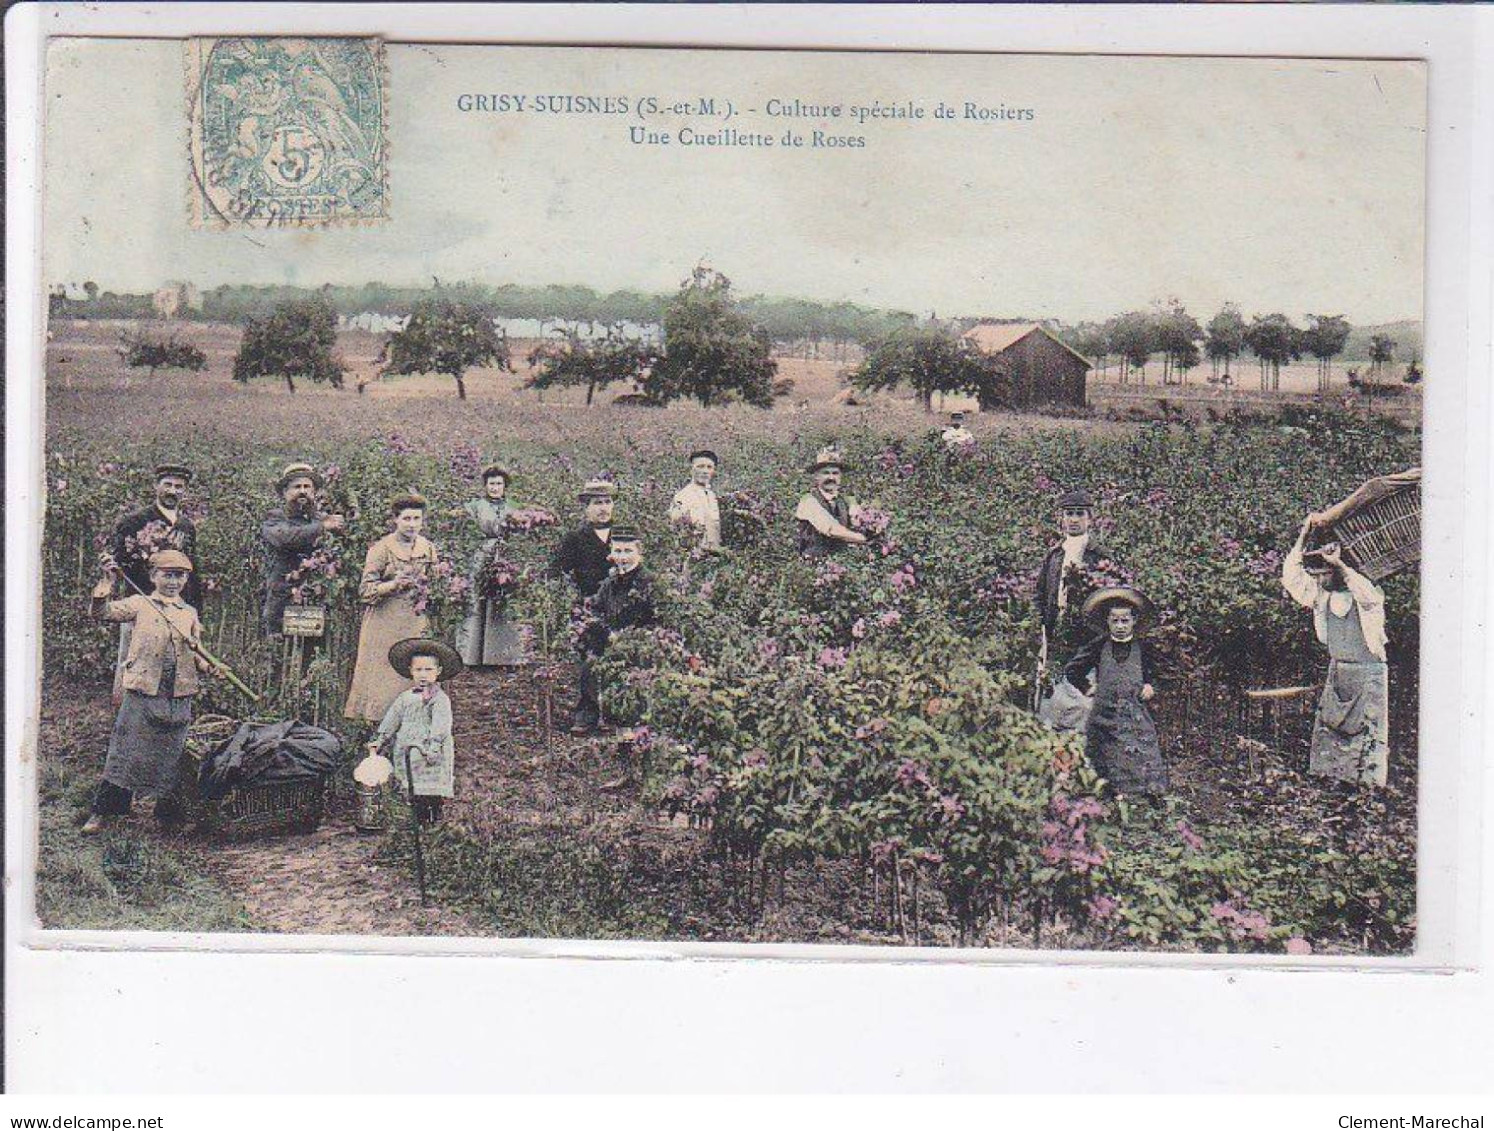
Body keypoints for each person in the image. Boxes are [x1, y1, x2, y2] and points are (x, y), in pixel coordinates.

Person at [81, 550, 224, 834]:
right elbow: (101, 613)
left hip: (178, 694)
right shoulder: (140, 604)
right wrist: (105, 585)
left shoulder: (188, 613)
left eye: (179, 575)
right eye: (167, 575)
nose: (173, 581)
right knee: (126, 752)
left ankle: (167, 817)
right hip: (144, 690)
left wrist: (211, 667)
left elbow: (194, 652)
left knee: (173, 756)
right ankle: (105, 812)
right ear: (153, 576)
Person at [1281, 515, 1390, 787]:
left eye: (1324, 573)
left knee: (1367, 738)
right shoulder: (1322, 597)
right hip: (1339, 673)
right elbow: (1291, 577)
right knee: (1331, 733)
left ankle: (1366, 793)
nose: (1318, 578)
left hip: (1368, 676)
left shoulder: (1368, 597)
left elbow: (1366, 593)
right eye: (1317, 574)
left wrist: (1339, 563)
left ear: (1339, 572)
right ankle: (1331, 786)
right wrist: (1304, 535)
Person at [1064, 586, 1168, 798]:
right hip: (1104, 714)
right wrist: (1088, 688)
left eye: (1125, 621)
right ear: (1108, 622)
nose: (1120, 626)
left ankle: (1145, 794)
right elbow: (1073, 670)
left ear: (1134, 621)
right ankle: (1106, 794)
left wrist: (1151, 686)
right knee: (1103, 755)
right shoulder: (1098, 645)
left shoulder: (1144, 648)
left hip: (1134, 712)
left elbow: (1159, 675)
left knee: (1142, 751)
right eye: (1115, 621)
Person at [344, 494, 440, 723]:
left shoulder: (427, 548)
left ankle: (415, 719)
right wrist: (393, 585)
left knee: (414, 667)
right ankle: (376, 723)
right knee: (383, 673)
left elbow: (437, 581)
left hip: (415, 620)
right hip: (384, 622)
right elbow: (365, 590)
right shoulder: (382, 549)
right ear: (395, 520)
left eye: (417, 519)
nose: (412, 524)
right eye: (406, 518)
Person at [108, 462, 199, 702]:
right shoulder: (135, 520)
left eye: (179, 487)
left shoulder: (186, 527)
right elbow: (120, 562)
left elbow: (193, 569)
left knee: (173, 657)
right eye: (167, 485)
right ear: (156, 486)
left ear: (185, 491)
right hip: (143, 602)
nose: (172, 491)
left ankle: (162, 710)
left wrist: (195, 607)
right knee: (132, 657)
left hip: (176, 605)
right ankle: (124, 708)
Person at [368, 638, 462, 825]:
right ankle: (416, 826)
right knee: (412, 790)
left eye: (428, 670)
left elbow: (441, 725)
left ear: (438, 672)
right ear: (411, 671)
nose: (423, 675)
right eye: (418, 670)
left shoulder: (439, 699)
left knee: (431, 792)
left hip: (430, 753)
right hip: (408, 751)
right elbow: (392, 719)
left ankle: (432, 824)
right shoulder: (405, 698)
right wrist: (381, 739)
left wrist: (435, 746)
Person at [572, 527, 655, 735]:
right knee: (590, 661)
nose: (622, 558)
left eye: (628, 551)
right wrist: (602, 631)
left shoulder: (649, 582)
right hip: (612, 640)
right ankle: (590, 714)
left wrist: (632, 637)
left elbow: (657, 620)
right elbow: (597, 611)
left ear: (639, 553)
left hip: (641, 644)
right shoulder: (609, 583)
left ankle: (633, 719)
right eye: (618, 551)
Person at [260, 462, 345, 636]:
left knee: (313, 649)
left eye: (307, 487)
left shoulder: (321, 519)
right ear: (285, 492)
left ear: (314, 492)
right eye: (296, 487)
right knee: (281, 650)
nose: (303, 491)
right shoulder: (275, 518)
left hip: (317, 597)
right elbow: (284, 538)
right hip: (283, 598)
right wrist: (322, 527)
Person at [453, 464, 525, 666]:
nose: (495, 488)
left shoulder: (514, 507)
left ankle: (501, 656)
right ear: (485, 485)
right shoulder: (474, 506)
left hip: (506, 555)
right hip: (481, 553)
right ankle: (471, 656)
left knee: (503, 599)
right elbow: (465, 531)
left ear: (505, 486)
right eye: (491, 484)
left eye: (499, 484)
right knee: (476, 597)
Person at [795, 447, 867, 558]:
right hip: (813, 564)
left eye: (835, 473)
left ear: (841, 477)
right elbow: (831, 528)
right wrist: (861, 538)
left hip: (842, 563)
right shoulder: (808, 501)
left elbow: (859, 521)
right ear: (817, 477)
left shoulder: (847, 501)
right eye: (825, 473)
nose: (831, 477)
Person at [552, 478, 616, 600]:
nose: (604, 508)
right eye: (598, 503)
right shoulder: (574, 539)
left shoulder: (622, 535)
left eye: (608, 502)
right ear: (587, 507)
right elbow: (559, 574)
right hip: (586, 607)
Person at [668, 449, 723, 552]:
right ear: (691, 469)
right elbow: (677, 531)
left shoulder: (712, 496)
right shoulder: (683, 496)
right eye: (700, 466)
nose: (705, 471)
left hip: (714, 555)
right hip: (693, 555)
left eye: (709, 467)